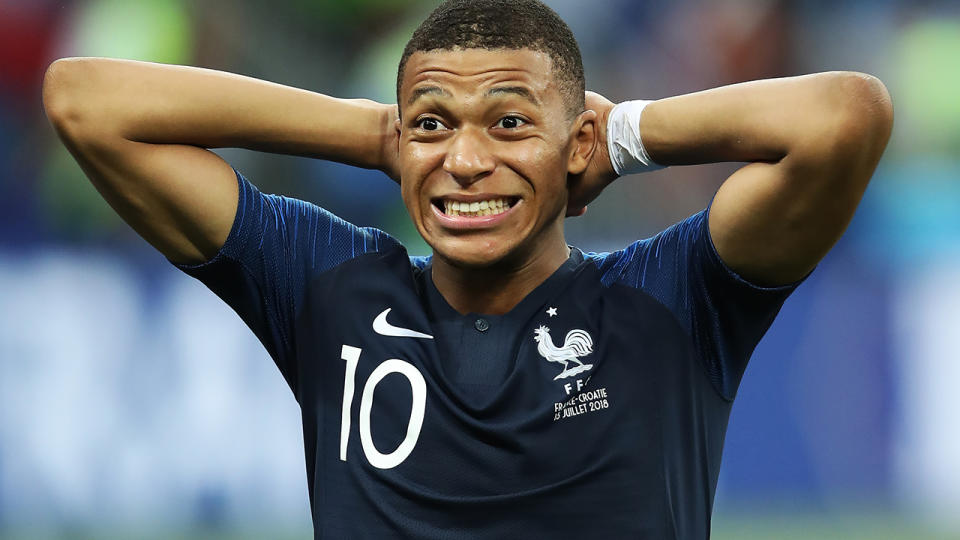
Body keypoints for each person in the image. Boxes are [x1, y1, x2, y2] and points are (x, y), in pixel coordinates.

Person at [41, 0, 892, 537]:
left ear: (578, 145)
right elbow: (85, 99)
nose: (467, 160)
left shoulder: (669, 297)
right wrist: (375, 131)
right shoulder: (329, 288)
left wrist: (628, 136)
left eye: (511, 124)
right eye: (434, 125)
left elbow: (843, 117)